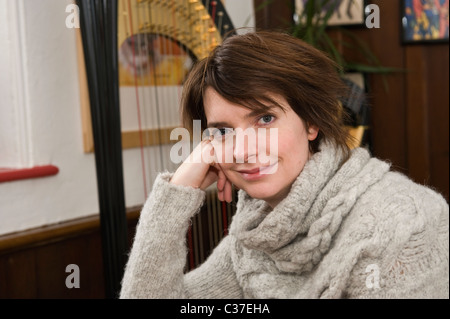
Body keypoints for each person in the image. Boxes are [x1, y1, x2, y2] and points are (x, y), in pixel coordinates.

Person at [119, 31, 449, 299]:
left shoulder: (406, 220)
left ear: (311, 123)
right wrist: (177, 193)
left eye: (265, 118)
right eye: (222, 131)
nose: (243, 151)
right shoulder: (258, 227)